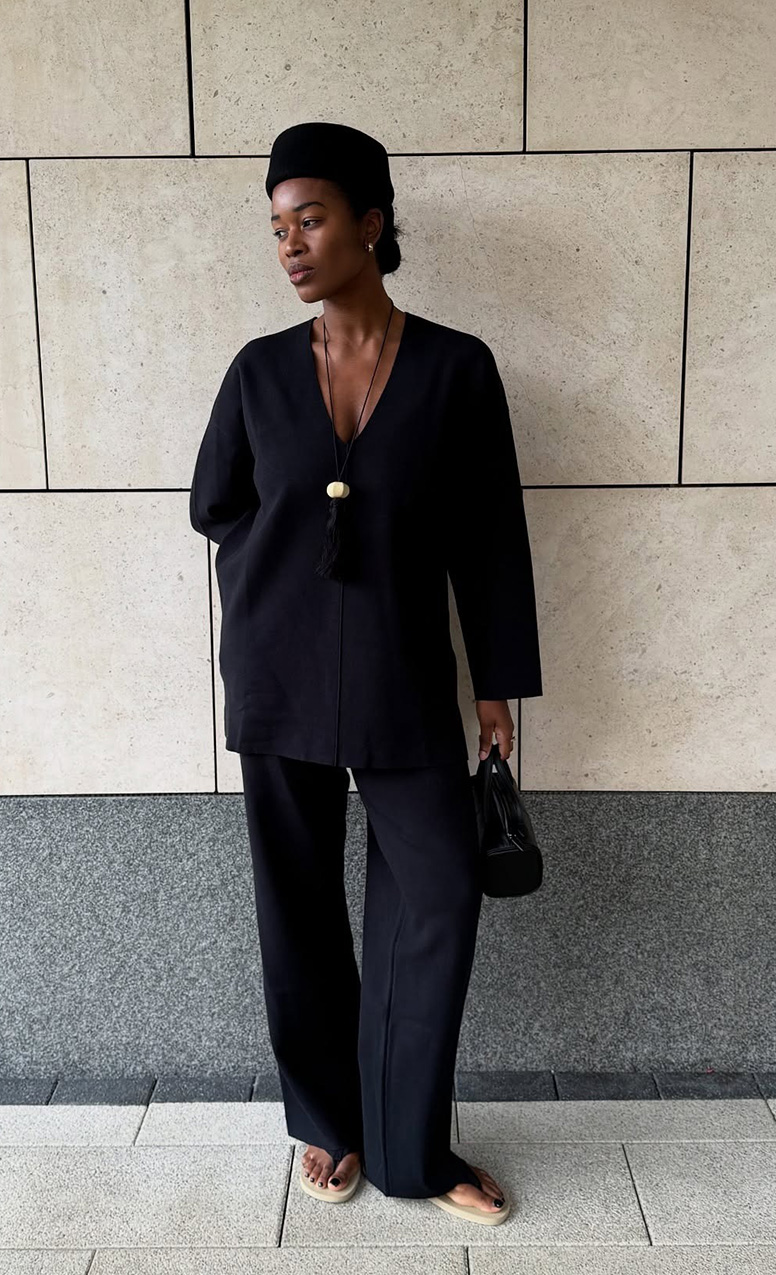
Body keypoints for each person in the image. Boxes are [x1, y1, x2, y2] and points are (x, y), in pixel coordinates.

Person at [189, 121, 543, 1225]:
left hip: (399, 677)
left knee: (434, 895)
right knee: (296, 906)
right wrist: (282, 576)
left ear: (372, 225)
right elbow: (214, 506)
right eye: (279, 225)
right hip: (278, 674)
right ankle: (327, 1125)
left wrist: (495, 685)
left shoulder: (454, 368)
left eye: (313, 218)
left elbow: (489, 537)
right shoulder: (257, 372)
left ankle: (410, 1148)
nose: (291, 244)